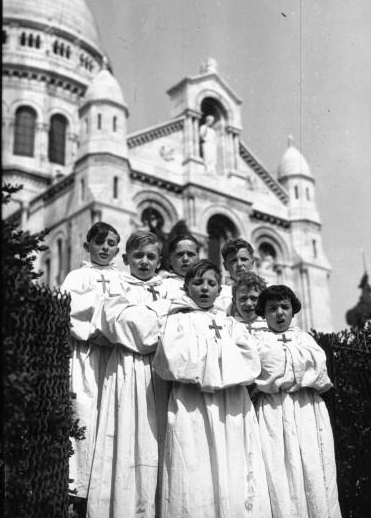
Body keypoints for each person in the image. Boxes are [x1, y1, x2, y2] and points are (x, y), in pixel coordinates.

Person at [153, 260, 272, 518]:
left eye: (211, 283)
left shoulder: (231, 324)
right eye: (197, 283)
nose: (204, 288)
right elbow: (171, 359)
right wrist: (221, 358)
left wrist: (205, 356)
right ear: (186, 288)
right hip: (192, 403)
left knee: (235, 465)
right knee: (194, 467)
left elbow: (251, 362)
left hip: (232, 405)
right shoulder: (178, 321)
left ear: (220, 290)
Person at [87, 230, 165, 518]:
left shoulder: (171, 288)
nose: (144, 262)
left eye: (151, 257)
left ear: (159, 260)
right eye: (138, 256)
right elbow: (111, 320)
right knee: (124, 435)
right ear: (126, 258)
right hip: (125, 368)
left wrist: (135, 322)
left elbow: (176, 325)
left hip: (160, 373)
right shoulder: (115, 285)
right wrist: (154, 323)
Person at [253, 285, 342, 518]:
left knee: (313, 467)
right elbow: (264, 369)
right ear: (263, 313)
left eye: (285, 307)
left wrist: (283, 372)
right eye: (272, 308)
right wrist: (295, 370)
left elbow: (319, 370)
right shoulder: (258, 340)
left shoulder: (305, 338)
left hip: (306, 408)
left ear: (293, 311)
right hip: (273, 409)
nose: (280, 313)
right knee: (279, 468)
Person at [61, 221, 123, 499]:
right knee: (85, 411)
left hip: (115, 354)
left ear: (118, 250)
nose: (105, 248)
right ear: (88, 246)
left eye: (110, 244)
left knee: (113, 414)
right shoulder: (76, 277)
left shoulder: (122, 279)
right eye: (99, 243)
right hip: (86, 352)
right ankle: (80, 487)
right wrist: (101, 318)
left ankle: (110, 486)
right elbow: (70, 307)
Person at [216, 237, 256, 313]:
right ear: (225, 266)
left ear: (252, 263)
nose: (239, 264)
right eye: (233, 261)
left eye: (244, 259)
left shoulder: (267, 290)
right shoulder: (218, 294)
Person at [161, 233, 200, 299]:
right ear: (170, 259)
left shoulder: (209, 284)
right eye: (180, 254)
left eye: (190, 254)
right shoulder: (161, 285)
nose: (185, 259)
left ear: (198, 258)